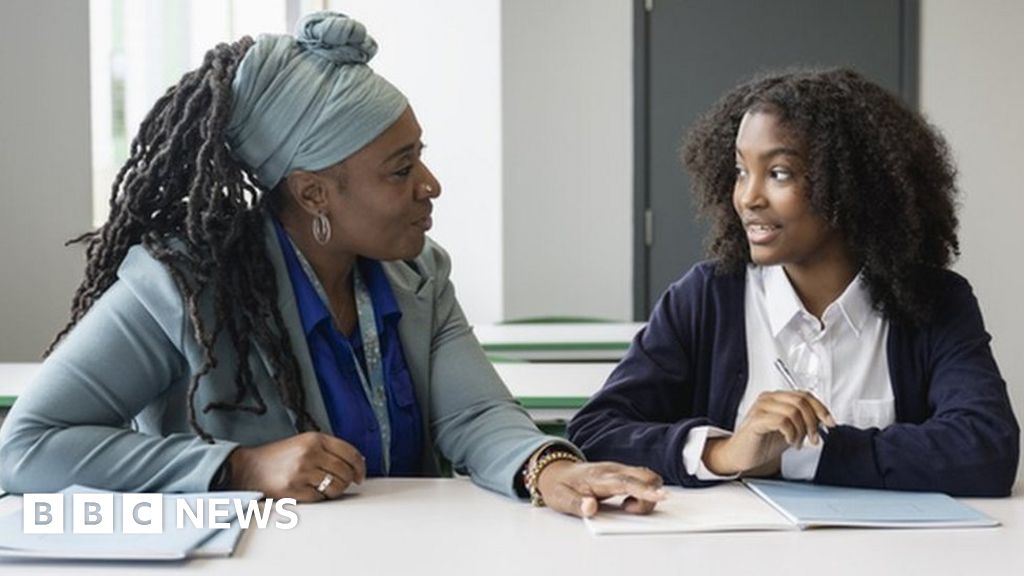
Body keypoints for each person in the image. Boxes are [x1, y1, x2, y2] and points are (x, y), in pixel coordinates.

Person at [0, 12, 665, 518]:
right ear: (314, 191)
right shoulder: (182, 284)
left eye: (419, 156)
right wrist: (239, 468)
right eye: (400, 169)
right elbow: (25, 446)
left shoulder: (418, 274)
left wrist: (544, 468)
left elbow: (474, 416)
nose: (429, 184)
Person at [568, 68, 1019, 497]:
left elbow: (986, 448)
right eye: (741, 171)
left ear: (847, 187)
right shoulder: (706, 297)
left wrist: (800, 457)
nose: (748, 197)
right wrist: (726, 452)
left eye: (778, 173)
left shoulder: (935, 301)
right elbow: (596, 431)